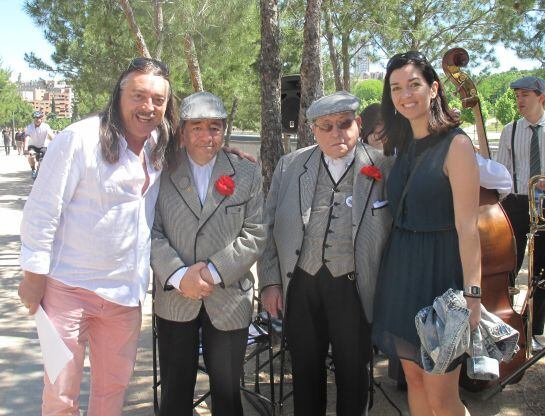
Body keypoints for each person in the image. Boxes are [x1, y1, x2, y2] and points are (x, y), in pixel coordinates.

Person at [18, 57, 175, 416]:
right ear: (119, 95)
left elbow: (201, 150)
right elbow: (42, 210)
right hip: (68, 289)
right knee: (60, 395)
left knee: (112, 392)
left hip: (125, 295)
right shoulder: (80, 138)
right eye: (139, 95)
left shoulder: (160, 145)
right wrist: (33, 277)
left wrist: (228, 157)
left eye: (158, 100)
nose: (148, 107)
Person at [259, 91, 393, 415]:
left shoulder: (384, 167)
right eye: (327, 125)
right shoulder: (290, 166)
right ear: (313, 130)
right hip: (302, 284)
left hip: (354, 286)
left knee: (353, 373)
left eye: (345, 124)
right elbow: (267, 227)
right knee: (304, 372)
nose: (337, 133)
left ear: (358, 124)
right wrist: (270, 282)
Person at [372, 51, 481, 416]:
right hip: (402, 272)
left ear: (434, 88)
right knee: (414, 381)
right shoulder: (402, 145)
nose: (405, 95)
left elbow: (468, 227)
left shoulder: (457, 145)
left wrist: (474, 295)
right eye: (396, 88)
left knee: (441, 395)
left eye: (414, 85)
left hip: (441, 277)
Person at [151, 91, 266, 416]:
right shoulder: (162, 171)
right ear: (183, 132)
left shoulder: (246, 172)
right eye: (197, 127)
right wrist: (179, 275)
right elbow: (152, 232)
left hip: (228, 297)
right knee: (174, 394)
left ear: (224, 131)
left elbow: (255, 232)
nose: (206, 136)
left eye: (214, 127)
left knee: (228, 394)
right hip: (176, 298)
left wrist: (211, 273)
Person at [496, 76, 545, 353]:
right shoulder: (509, 130)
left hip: (544, 204)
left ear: (541, 98)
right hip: (515, 203)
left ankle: (534, 330)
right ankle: (504, 325)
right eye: (517, 96)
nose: (520, 101)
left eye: (525, 95)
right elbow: (502, 172)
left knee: (541, 270)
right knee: (509, 265)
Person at [24, 111, 54, 177]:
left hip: (43, 146)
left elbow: (51, 136)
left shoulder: (46, 126)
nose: (37, 120)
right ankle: (33, 169)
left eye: (38, 118)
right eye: (35, 118)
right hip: (33, 146)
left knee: (43, 159)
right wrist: (25, 148)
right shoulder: (29, 127)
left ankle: (41, 169)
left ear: (41, 119)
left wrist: (54, 142)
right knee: (31, 155)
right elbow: (27, 137)